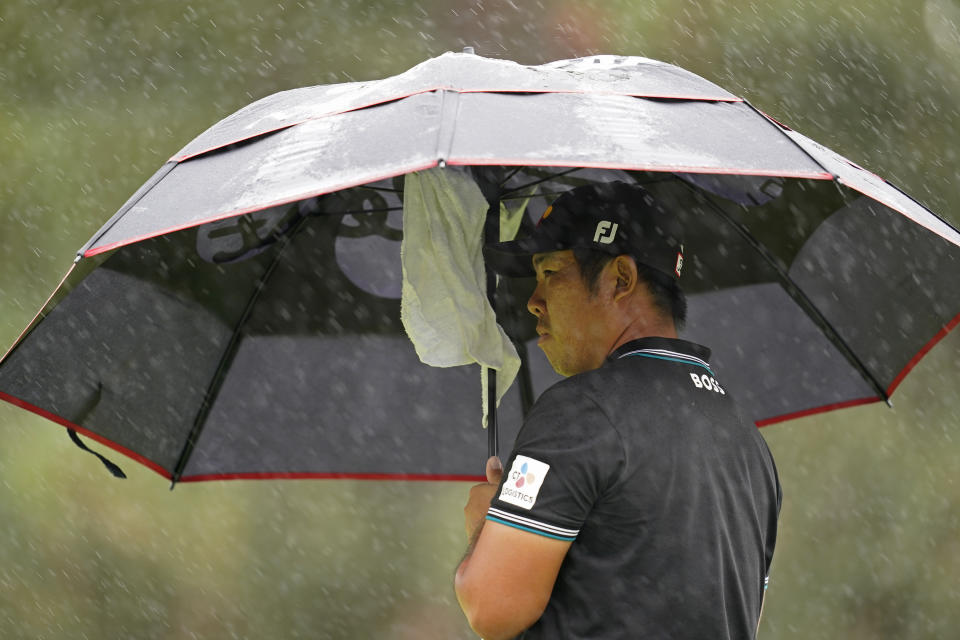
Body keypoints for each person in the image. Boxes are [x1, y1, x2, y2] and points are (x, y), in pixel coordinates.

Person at [454, 181, 782, 640]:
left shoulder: (580, 412)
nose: (533, 301)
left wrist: (484, 529)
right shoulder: (747, 439)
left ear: (621, 279)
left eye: (551, 273)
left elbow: (492, 607)